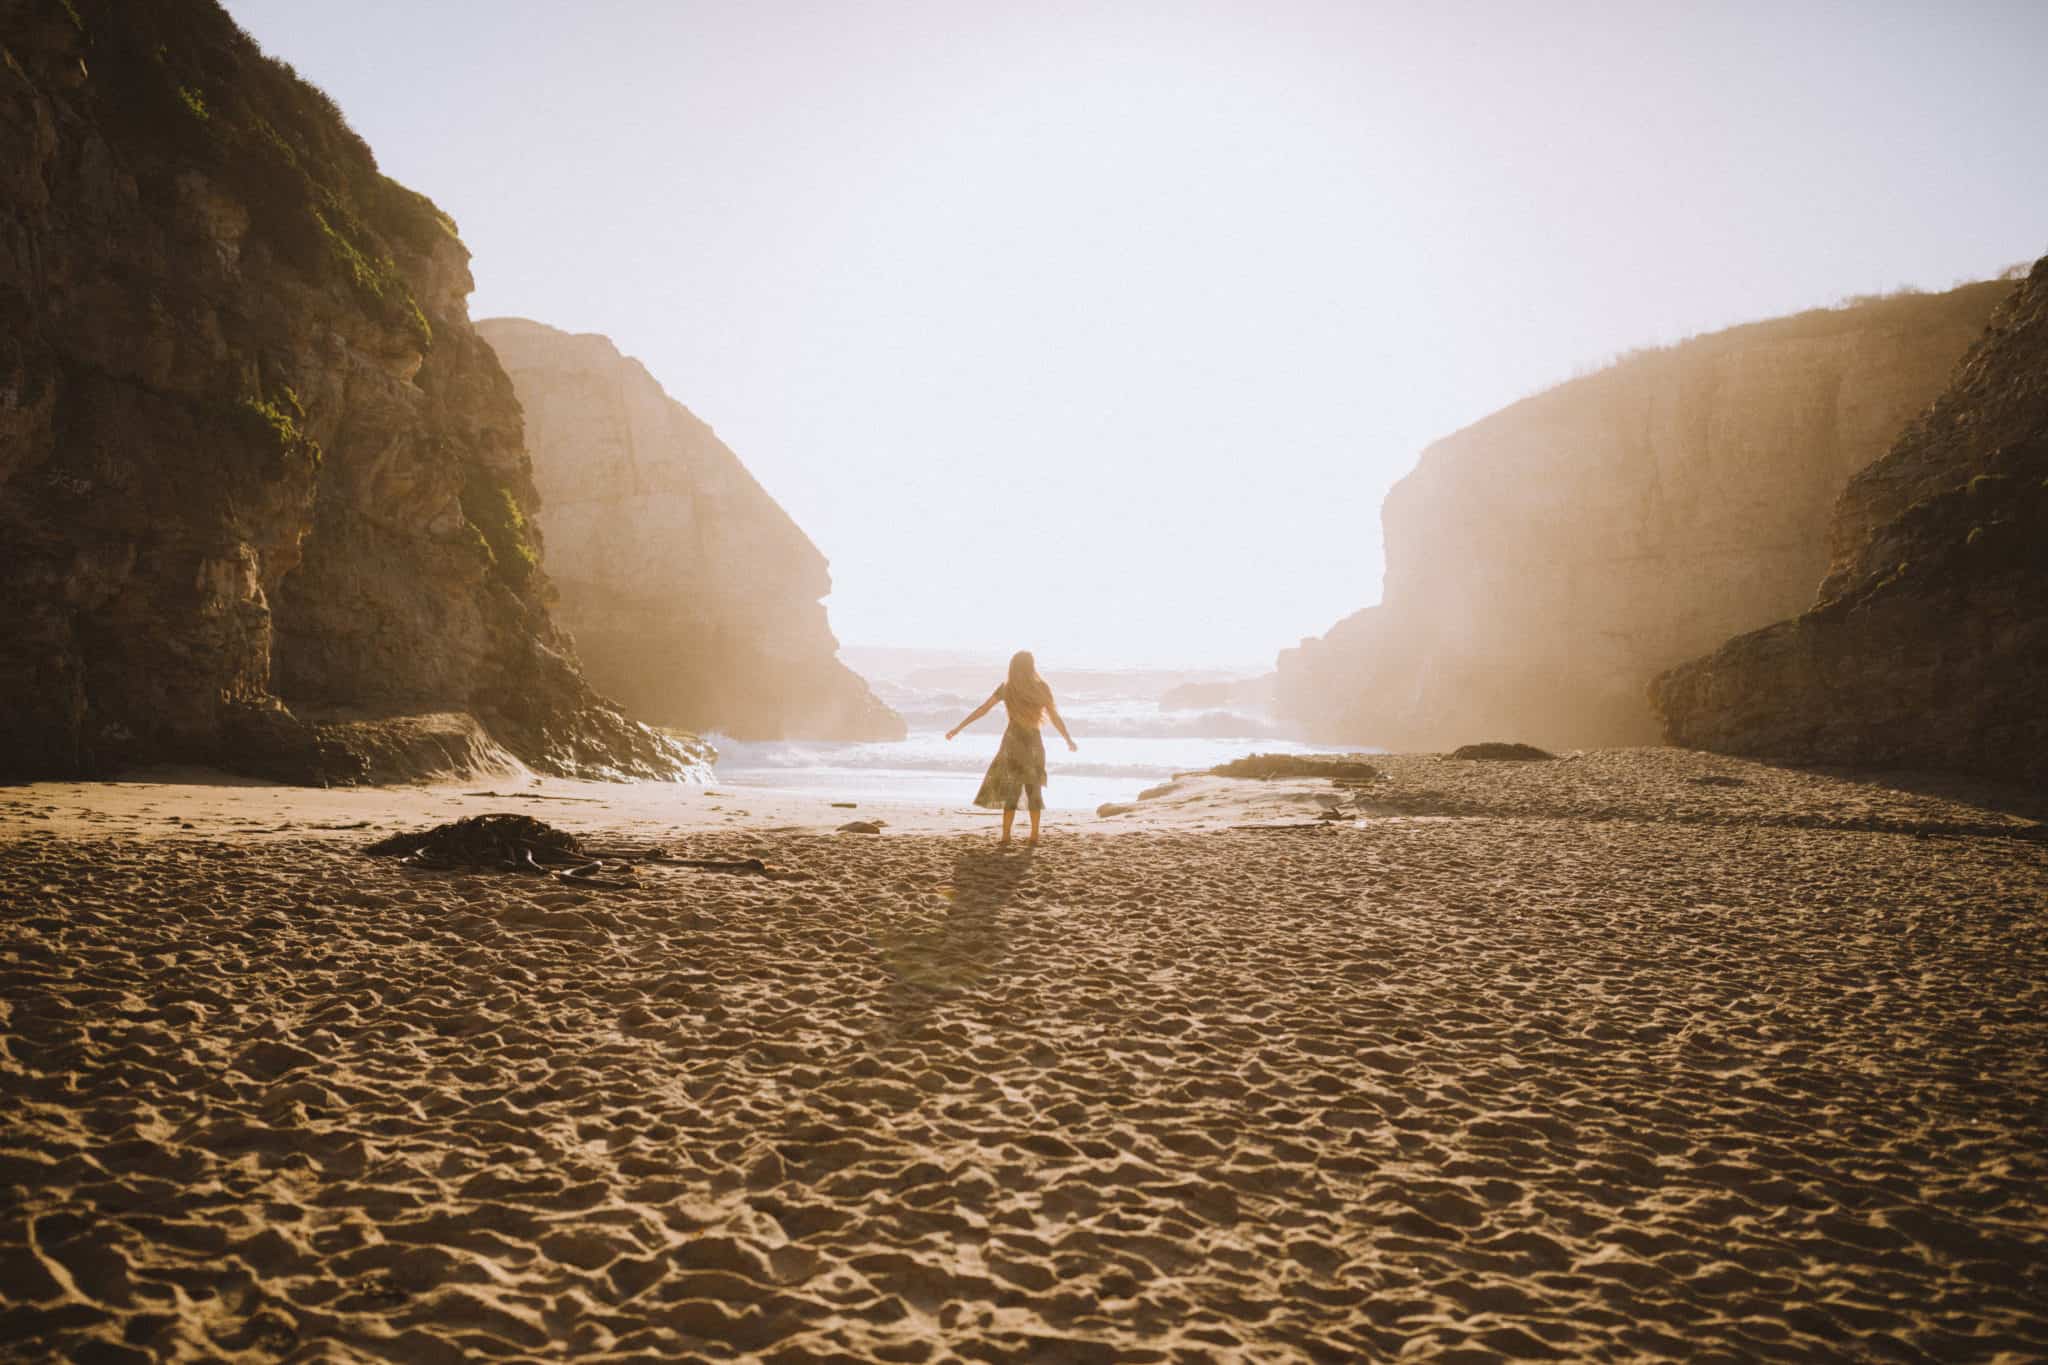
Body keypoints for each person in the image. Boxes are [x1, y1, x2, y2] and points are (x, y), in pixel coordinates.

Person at [945, 650, 1077, 847]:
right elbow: (1054, 717)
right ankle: (1034, 836)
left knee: (1011, 790)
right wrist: (1068, 739)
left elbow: (983, 709)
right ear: (1032, 666)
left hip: (1012, 742)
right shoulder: (1041, 687)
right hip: (1033, 743)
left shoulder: (1008, 688)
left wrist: (958, 728)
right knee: (1033, 788)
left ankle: (1006, 836)